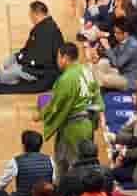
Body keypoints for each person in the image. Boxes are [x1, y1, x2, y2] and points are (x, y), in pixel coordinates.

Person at [40, 43, 103, 181]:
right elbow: (97, 95)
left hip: (73, 127)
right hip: (87, 124)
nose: (57, 60)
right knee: (80, 161)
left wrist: (41, 114)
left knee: (74, 164)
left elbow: (56, 106)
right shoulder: (87, 70)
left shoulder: (67, 78)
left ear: (65, 58)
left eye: (58, 57)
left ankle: (68, 194)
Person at [0, 0, 63, 92]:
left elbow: (42, 58)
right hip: (32, 63)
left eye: (30, 14)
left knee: (13, 70)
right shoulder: (40, 27)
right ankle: (3, 75)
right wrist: (18, 56)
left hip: (40, 71)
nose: (30, 17)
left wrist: (23, 64)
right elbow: (28, 48)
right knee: (10, 59)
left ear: (36, 14)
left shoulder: (47, 30)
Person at [0, 130, 55, 196]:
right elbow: (53, 182)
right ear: (40, 146)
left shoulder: (16, 161)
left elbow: (0, 186)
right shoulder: (50, 160)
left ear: (24, 145)